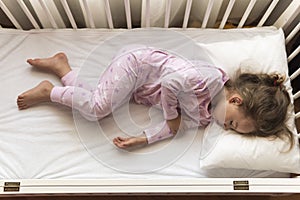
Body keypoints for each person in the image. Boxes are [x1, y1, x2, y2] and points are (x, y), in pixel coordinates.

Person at [17, 47, 294, 149]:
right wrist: (172, 116)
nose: (225, 128)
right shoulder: (207, 79)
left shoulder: (208, 115)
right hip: (137, 65)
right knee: (97, 109)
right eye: (232, 124)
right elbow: (172, 84)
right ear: (235, 101)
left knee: (95, 97)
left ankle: (62, 67)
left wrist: (144, 139)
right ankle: (48, 91)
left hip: (138, 88)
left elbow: (176, 128)